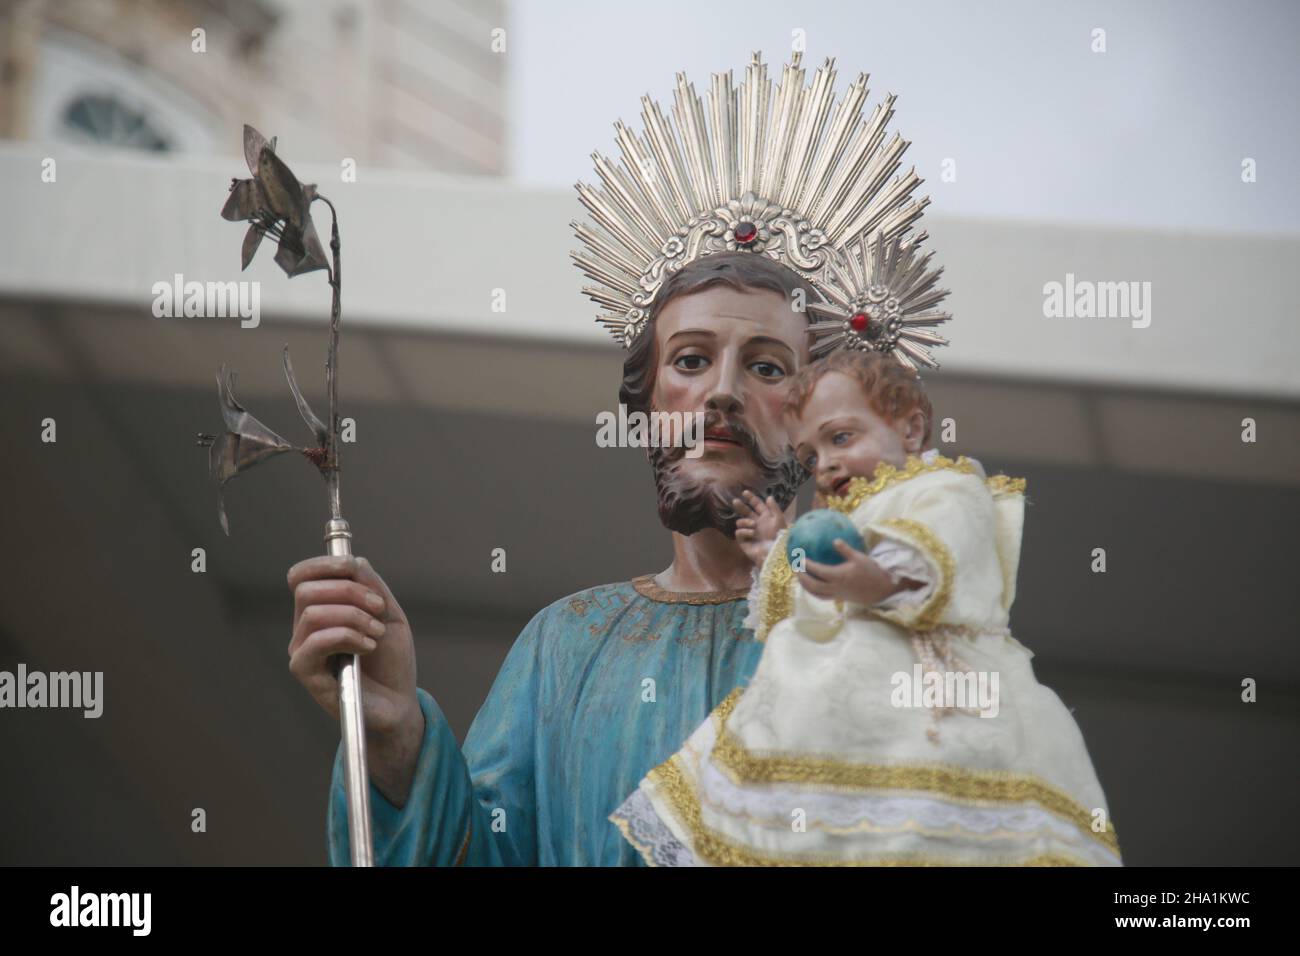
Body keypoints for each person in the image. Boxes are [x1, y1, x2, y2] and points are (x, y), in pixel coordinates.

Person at [609, 350, 1123, 866]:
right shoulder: (847, 519)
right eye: (809, 457)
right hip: (843, 696)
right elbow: (809, 605)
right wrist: (778, 550)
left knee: (929, 802)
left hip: (935, 681)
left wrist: (877, 580)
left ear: (912, 431)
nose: (826, 465)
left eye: (841, 438)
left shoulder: (944, 486)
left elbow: (942, 547)